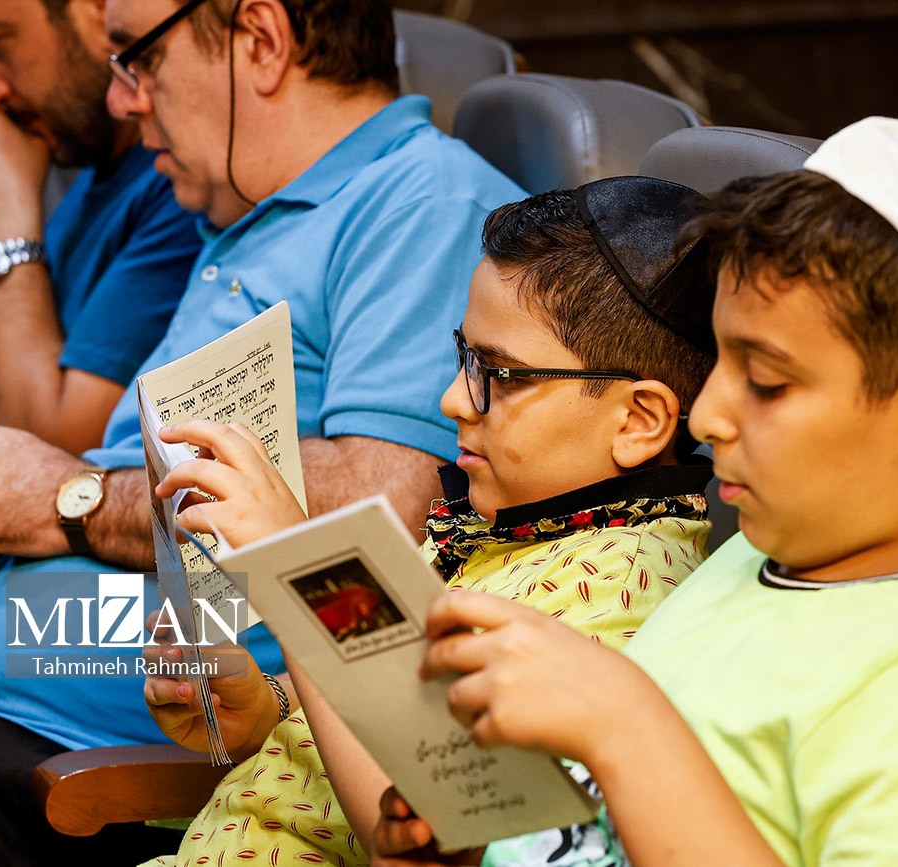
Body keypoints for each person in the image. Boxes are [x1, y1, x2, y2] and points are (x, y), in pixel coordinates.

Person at [372, 118, 898, 867]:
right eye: (719, 360)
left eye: (767, 381)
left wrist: (625, 726)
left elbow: (639, 752)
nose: (708, 415)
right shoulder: (742, 561)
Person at [0, 0, 522, 864]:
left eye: (139, 59)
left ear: (261, 41)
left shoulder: (428, 203)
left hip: (79, 768)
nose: (120, 100)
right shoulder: (244, 210)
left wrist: (73, 503)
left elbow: (387, 508)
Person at [137, 176, 718, 867]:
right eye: (464, 358)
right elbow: (394, 695)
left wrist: (297, 568)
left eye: (500, 376)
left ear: (638, 421)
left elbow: (439, 820)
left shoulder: (621, 590)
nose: (454, 399)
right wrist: (266, 709)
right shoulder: (508, 524)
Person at [0, 0, 202, 452]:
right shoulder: (90, 173)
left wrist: (1, 223)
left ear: (99, 11)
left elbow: (49, 451)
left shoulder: (183, 186)